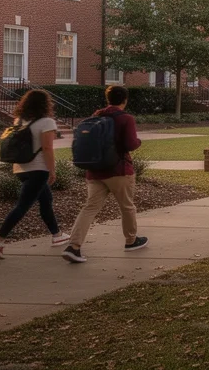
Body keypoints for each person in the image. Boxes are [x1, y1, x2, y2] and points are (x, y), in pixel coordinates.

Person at [62, 85, 146, 263]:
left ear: (108, 99)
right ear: (125, 100)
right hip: (119, 170)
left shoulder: (96, 116)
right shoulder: (126, 118)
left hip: (94, 171)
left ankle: (74, 246)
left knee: (90, 208)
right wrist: (138, 141)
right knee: (127, 207)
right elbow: (131, 144)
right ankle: (131, 240)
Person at [0, 90, 69, 259]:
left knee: (46, 201)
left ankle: (57, 235)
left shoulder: (20, 120)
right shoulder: (47, 122)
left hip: (20, 168)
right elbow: (47, 148)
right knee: (22, 206)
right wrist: (52, 170)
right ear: (46, 104)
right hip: (38, 169)